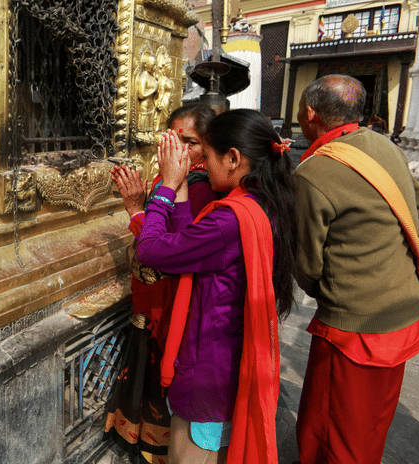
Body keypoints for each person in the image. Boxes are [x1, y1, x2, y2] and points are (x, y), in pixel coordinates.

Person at [136, 109, 296, 464]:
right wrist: (178, 191)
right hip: (228, 363)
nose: (202, 167)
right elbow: (188, 246)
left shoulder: (229, 220)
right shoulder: (263, 202)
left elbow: (151, 251)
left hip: (207, 375)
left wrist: (164, 187)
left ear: (234, 158)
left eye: (206, 156)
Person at [293, 74, 419, 464]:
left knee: (335, 427)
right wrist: (382, 249)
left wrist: (331, 288)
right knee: (372, 420)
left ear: (309, 114)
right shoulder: (384, 147)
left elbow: (307, 263)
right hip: (405, 311)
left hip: (354, 324)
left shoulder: (314, 172)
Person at [105, 103, 217, 464]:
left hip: (174, 306)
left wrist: (137, 210)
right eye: (174, 139)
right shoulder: (170, 178)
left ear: (209, 147)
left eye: (191, 142)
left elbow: (170, 251)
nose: (181, 150)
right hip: (151, 300)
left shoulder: (202, 189)